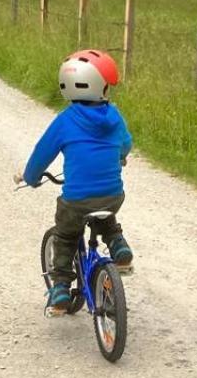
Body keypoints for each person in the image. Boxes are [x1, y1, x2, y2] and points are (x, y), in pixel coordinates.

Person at [18, 49, 134, 315]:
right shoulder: (114, 117)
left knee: (67, 234)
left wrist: (30, 177)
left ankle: (59, 286)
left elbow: (41, 155)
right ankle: (118, 245)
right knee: (105, 217)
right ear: (99, 87)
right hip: (113, 195)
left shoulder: (66, 121)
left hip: (77, 199)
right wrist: (119, 157)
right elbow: (125, 145)